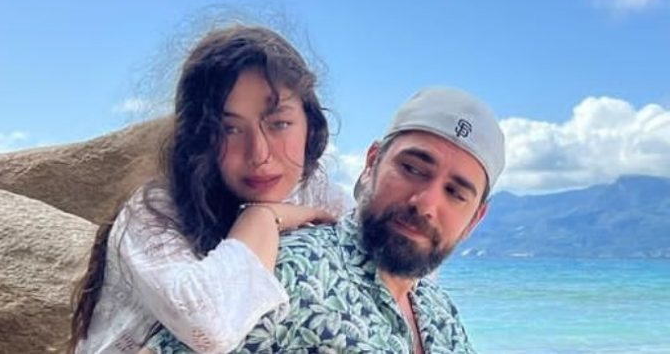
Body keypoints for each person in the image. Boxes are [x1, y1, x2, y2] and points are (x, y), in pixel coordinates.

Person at [144, 86, 505, 353]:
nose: (425, 203)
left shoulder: (440, 313)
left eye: (455, 193)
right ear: (372, 163)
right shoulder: (290, 271)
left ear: (475, 220)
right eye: (412, 168)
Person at [69, 25, 348, 354]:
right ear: (199, 138)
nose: (259, 154)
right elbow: (209, 329)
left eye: (279, 124)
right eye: (229, 129)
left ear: (310, 125)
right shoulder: (154, 212)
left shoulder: (321, 197)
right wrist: (261, 218)